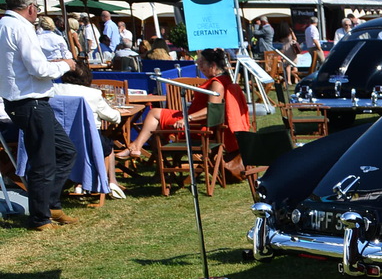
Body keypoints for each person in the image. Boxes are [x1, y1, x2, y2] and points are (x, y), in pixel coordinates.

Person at [0, 0, 77, 230]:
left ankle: (49, 205)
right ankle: (40, 217)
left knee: (65, 151)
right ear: (32, 8)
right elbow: (39, 69)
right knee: (43, 161)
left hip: (22, 99)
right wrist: (65, 65)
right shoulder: (21, 27)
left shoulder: (4, 25)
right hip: (30, 100)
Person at [115, 47, 250, 177]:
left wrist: (187, 118)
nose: (200, 67)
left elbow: (212, 110)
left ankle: (137, 148)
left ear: (213, 65)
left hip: (198, 128)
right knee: (155, 118)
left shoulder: (217, 83)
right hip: (201, 124)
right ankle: (138, 148)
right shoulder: (224, 80)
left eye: (202, 64)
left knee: (153, 114)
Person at [55, 61, 126, 199]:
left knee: (102, 143)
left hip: (58, 140)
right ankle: (110, 182)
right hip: (87, 141)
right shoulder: (93, 93)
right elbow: (113, 118)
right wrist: (117, 112)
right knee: (107, 146)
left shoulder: (54, 89)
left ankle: (79, 184)